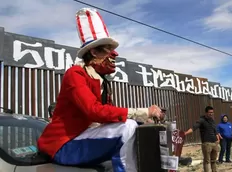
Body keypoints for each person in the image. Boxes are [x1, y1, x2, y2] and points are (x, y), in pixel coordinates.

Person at [37, 8, 161, 172]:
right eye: (107, 50)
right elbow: (93, 111)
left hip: (84, 141)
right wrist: (143, 112)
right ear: (93, 51)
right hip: (64, 145)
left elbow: (108, 115)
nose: (113, 56)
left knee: (135, 125)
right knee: (128, 127)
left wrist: (143, 120)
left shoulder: (102, 81)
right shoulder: (75, 73)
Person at [184, 106, 220, 172]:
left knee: (213, 161)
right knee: (207, 161)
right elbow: (194, 128)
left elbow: (215, 131)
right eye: (210, 112)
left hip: (214, 143)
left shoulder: (212, 120)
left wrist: (218, 139)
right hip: (207, 144)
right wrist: (185, 133)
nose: (211, 114)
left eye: (212, 112)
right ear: (206, 113)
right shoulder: (201, 120)